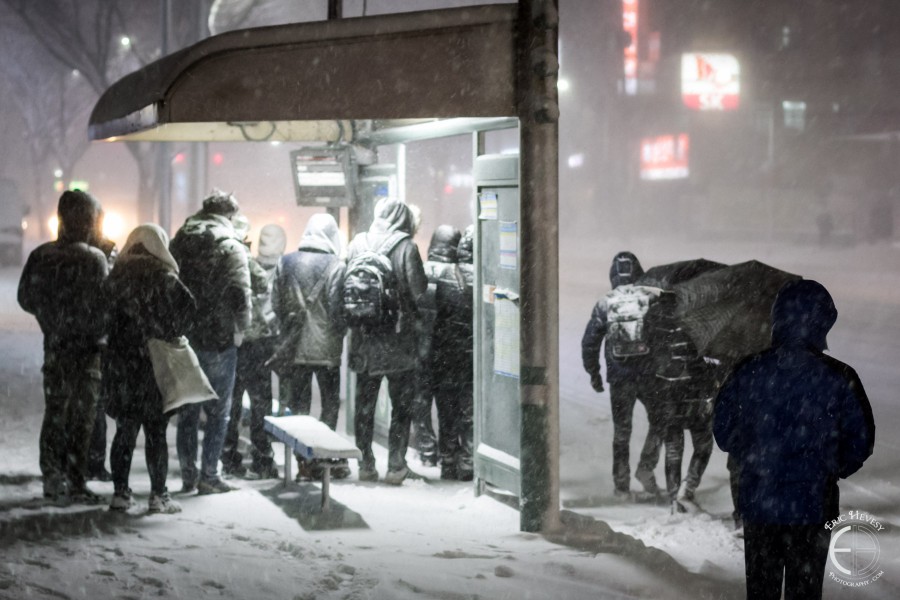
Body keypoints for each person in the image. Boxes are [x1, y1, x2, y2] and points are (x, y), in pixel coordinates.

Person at [714, 279, 875, 600]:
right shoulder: (840, 376)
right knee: (806, 590)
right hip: (813, 506)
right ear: (822, 322)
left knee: (762, 590)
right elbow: (861, 440)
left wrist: (755, 454)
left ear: (777, 318)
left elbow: (724, 433)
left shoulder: (748, 370)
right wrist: (829, 468)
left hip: (760, 504)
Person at [17, 189, 109, 504]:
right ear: (87, 221)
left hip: (56, 347)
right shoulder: (94, 260)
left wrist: (52, 318)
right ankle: (75, 478)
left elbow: (25, 298)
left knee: (55, 412)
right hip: (87, 351)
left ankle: (52, 476)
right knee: (81, 418)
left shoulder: (42, 256)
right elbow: (106, 306)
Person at [104, 224, 195, 514]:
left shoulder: (116, 277)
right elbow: (189, 311)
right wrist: (167, 331)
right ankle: (158, 495)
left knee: (124, 431)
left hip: (122, 365)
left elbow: (100, 314)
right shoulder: (165, 277)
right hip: (155, 365)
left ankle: (120, 492)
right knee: (156, 433)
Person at [169, 190, 252, 495]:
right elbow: (240, 293)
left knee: (188, 410)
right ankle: (209, 475)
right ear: (229, 215)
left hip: (185, 335)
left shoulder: (180, 239)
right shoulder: (231, 245)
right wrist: (241, 329)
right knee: (219, 412)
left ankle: (188, 475)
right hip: (218, 337)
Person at [347, 198, 428, 485]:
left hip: (364, 340)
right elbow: (419, 294)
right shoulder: (407, 247)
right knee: (401, 407)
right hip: (397, 341)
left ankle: (365, 464)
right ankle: (395, 465)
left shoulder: (357, 243)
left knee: (365, 407)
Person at [271, 213, 348, 479]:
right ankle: (323, 457)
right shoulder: (336, 265)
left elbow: (276, 304)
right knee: (329, 403)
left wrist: (289, 327)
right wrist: (338, 331)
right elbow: (339, 311)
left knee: (299, 407)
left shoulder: (286, 262)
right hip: (326, 348)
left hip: (294, 348)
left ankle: (303, 460)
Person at [581, 251, 663, 497]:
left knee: (621, 432)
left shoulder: (605, 303)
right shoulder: (650, 299)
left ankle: (621, 484)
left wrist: (594, 373)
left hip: (620, 377)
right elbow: (664, 337)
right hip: (649, 376)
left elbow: (590, 342)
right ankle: (646, 468)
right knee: (660, 422)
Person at [643, 291, 721, 512]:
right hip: (696, 397)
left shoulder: (652, 324)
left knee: (673, 450)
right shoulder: (697, 323)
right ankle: (688, 489)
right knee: (703, 446)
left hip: (668, 397)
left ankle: (673, 498)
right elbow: (709, 363)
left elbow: (647, 364)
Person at [221, 221, 286, 479]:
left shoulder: (245, 261)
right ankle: (262, 456)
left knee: (233, 401)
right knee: (261, 402)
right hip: (262, 342)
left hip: (237, 339)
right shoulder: (282, 268)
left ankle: (228, 455)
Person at [88, 212, 118, 482]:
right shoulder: (108, 250)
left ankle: (70, 464)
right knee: (97, 404)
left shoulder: (61, 252)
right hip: (103, 340)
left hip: (72, 340)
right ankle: (95, 463)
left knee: (70, 407)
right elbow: (115, 292)